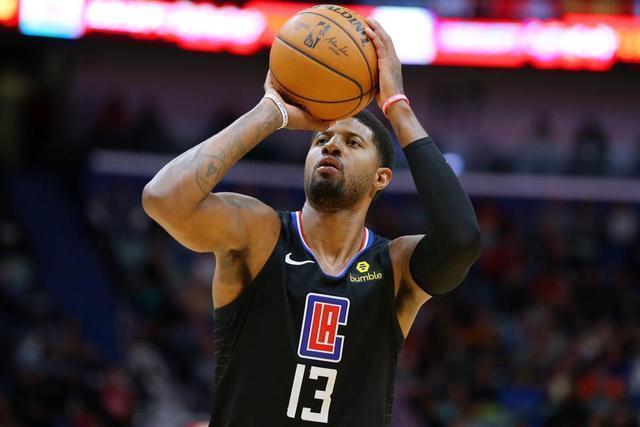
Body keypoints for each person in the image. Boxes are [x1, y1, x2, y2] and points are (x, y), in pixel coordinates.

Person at [142, 17, 481, 427]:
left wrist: (397, 106)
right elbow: (163, 199)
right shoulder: (260, 234)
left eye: (352, 142)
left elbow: (461, 241)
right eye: (321, 139)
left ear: (381, 178)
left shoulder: (394, 268)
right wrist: (269, 112)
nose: (331, 146)